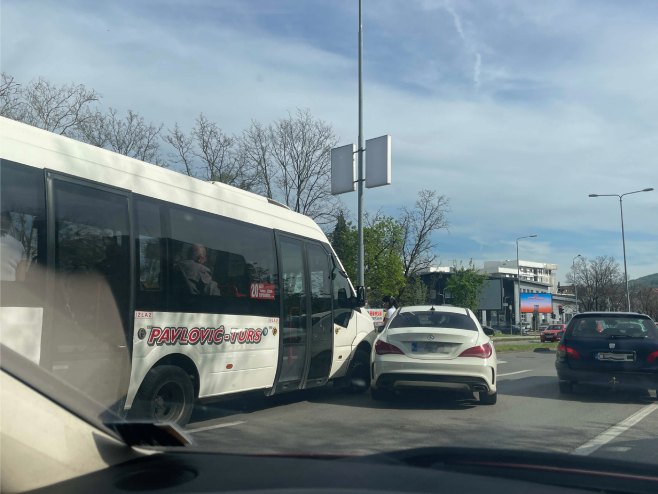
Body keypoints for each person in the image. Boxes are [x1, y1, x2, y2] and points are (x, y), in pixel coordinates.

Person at [1, 211, 26, 281]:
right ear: (9, 225)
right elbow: (21, 278)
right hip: (11, 289)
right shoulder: (19, 246)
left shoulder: (19, 246)